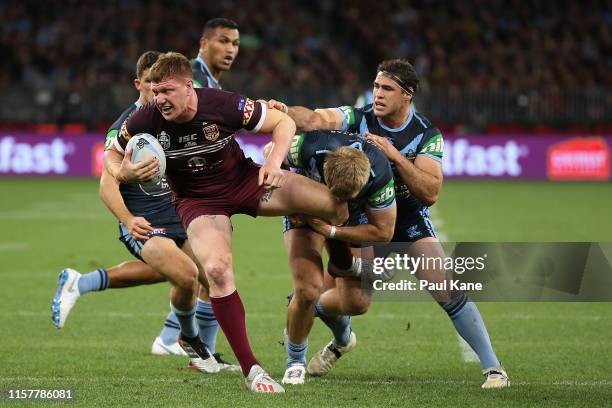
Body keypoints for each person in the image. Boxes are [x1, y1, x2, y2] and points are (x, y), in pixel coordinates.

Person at [104, 52, 348, 393]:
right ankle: (253, 371)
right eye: (155, 91)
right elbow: (111, 153)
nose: (159, 99)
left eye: (167, 91)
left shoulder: (222, 104)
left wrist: (275, 162)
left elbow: (284, 122)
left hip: (246, 183)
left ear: (189, 87)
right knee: (217, 271)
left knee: (334, 206)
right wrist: (121, 171)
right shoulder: (144, 118)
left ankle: (341, 271)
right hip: (199, 203)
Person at [269, 59, 510, 389]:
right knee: (354, 302)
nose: (378, 95)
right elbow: (315, 119)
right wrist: (284, 113)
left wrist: (395, 156)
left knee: (446, 286)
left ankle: (494, 368)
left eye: (387, 89)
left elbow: (430, 193)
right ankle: (333, 332)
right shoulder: (358, 117)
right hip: (363, 218)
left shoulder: (426, 135)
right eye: (376, 87)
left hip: (405, 220)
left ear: (407, 95)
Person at [51, 50, 235, 373]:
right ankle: (189, 344)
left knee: (213, 274)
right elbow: (106, 186)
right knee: (186, 274)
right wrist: (128, 218)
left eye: (163, 85)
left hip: (178, 213)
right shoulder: (127, 126)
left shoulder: (172, 117)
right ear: (139, 84)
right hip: (144, 220)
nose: (157, 91)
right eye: (152, 84)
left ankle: (203, 357)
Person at [263, 131, 396, 385]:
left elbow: (384, 231)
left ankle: (335, 332)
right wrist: (286, 198)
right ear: (326, 172)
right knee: (308, 290)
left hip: (353, 220)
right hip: (305, 210)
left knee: (357, 303)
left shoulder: (380, 174)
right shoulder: (309, 147)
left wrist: (333, 231)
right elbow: (269, 152)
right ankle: (295, 362)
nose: (339, 202)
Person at [155, 17, 241, 360]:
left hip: (196, 185)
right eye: (223, 41)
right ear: (204, 43)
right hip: (181, 188)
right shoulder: (187, 77)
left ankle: (179, 339)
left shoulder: (209, 82)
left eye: (235, 43)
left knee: (206, 269)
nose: (231, 49)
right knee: (208, 269)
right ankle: (182, 342)